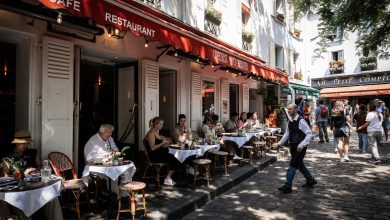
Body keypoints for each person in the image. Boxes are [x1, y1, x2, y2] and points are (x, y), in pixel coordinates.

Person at [1, 130, 63, 220]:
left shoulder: (33, 153)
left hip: (36, 185)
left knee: (53, 197)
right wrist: (24, 174)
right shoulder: (7, 158)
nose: (26, 146)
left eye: (27, 143)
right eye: (23, 143)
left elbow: (39, 167)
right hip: (21, 189)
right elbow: (7, 179)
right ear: (17, 143)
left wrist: (39, 170)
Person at [276, 104, 316, 194]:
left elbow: (309, 134)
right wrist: (280, 143)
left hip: (300, 149)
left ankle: (287, 185)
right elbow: (287, 134)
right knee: (299, 165)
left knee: (293, 166)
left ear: (295, 110)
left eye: (290, 109)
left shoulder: (301, 121)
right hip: (293, 147)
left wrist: (301, 145)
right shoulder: (290, 121)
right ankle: (310, 180)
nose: (288, 111)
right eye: (288, 109)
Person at [145, 117, 180, 185]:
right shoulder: (151, 133)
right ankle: (167, 178)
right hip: (155, 156)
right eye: (161, 124)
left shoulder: (156, 132)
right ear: (155, 124)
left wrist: (166, 142)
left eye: (162, 124)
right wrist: (163, 143)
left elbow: (160, 143)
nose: (162, 126)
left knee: (176, 156)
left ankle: (169, 177)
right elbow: (152, 148)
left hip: (160, 153)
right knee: (176, 158)